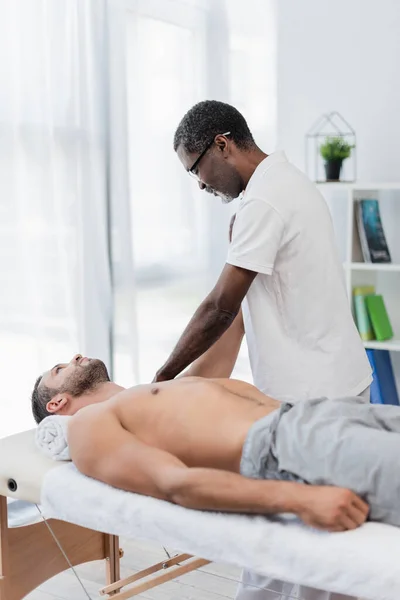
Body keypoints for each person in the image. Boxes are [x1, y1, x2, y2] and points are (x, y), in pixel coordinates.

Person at [153, 100, 372, 600]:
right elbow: (246, 314)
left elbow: (219, 308)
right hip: (334, 383)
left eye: (196, 169)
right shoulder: (285, 184)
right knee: (313, 543)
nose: (201, 185)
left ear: (222, 145)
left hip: (315, 397)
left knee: (293, 544)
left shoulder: (263, 203)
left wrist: (162, 379)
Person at [32, 353, 400, 532]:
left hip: (327, 414)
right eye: (60, 369)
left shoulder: (146, 397)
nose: (76, 357)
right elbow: (173, 483)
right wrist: (300, 500)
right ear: (57, 403)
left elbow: (226, 326)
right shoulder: (87, 426)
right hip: (290, 446)